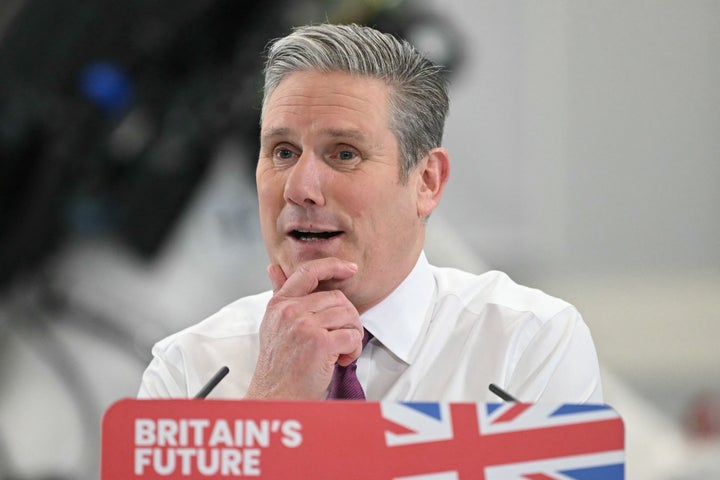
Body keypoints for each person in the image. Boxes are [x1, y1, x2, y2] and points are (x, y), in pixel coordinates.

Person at [138, 23, 603, 403]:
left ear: (427, 182)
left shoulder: (528, 343)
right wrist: (270, 408)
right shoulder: (188, 372)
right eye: (282, 152)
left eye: (344, 154)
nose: (300, 188)